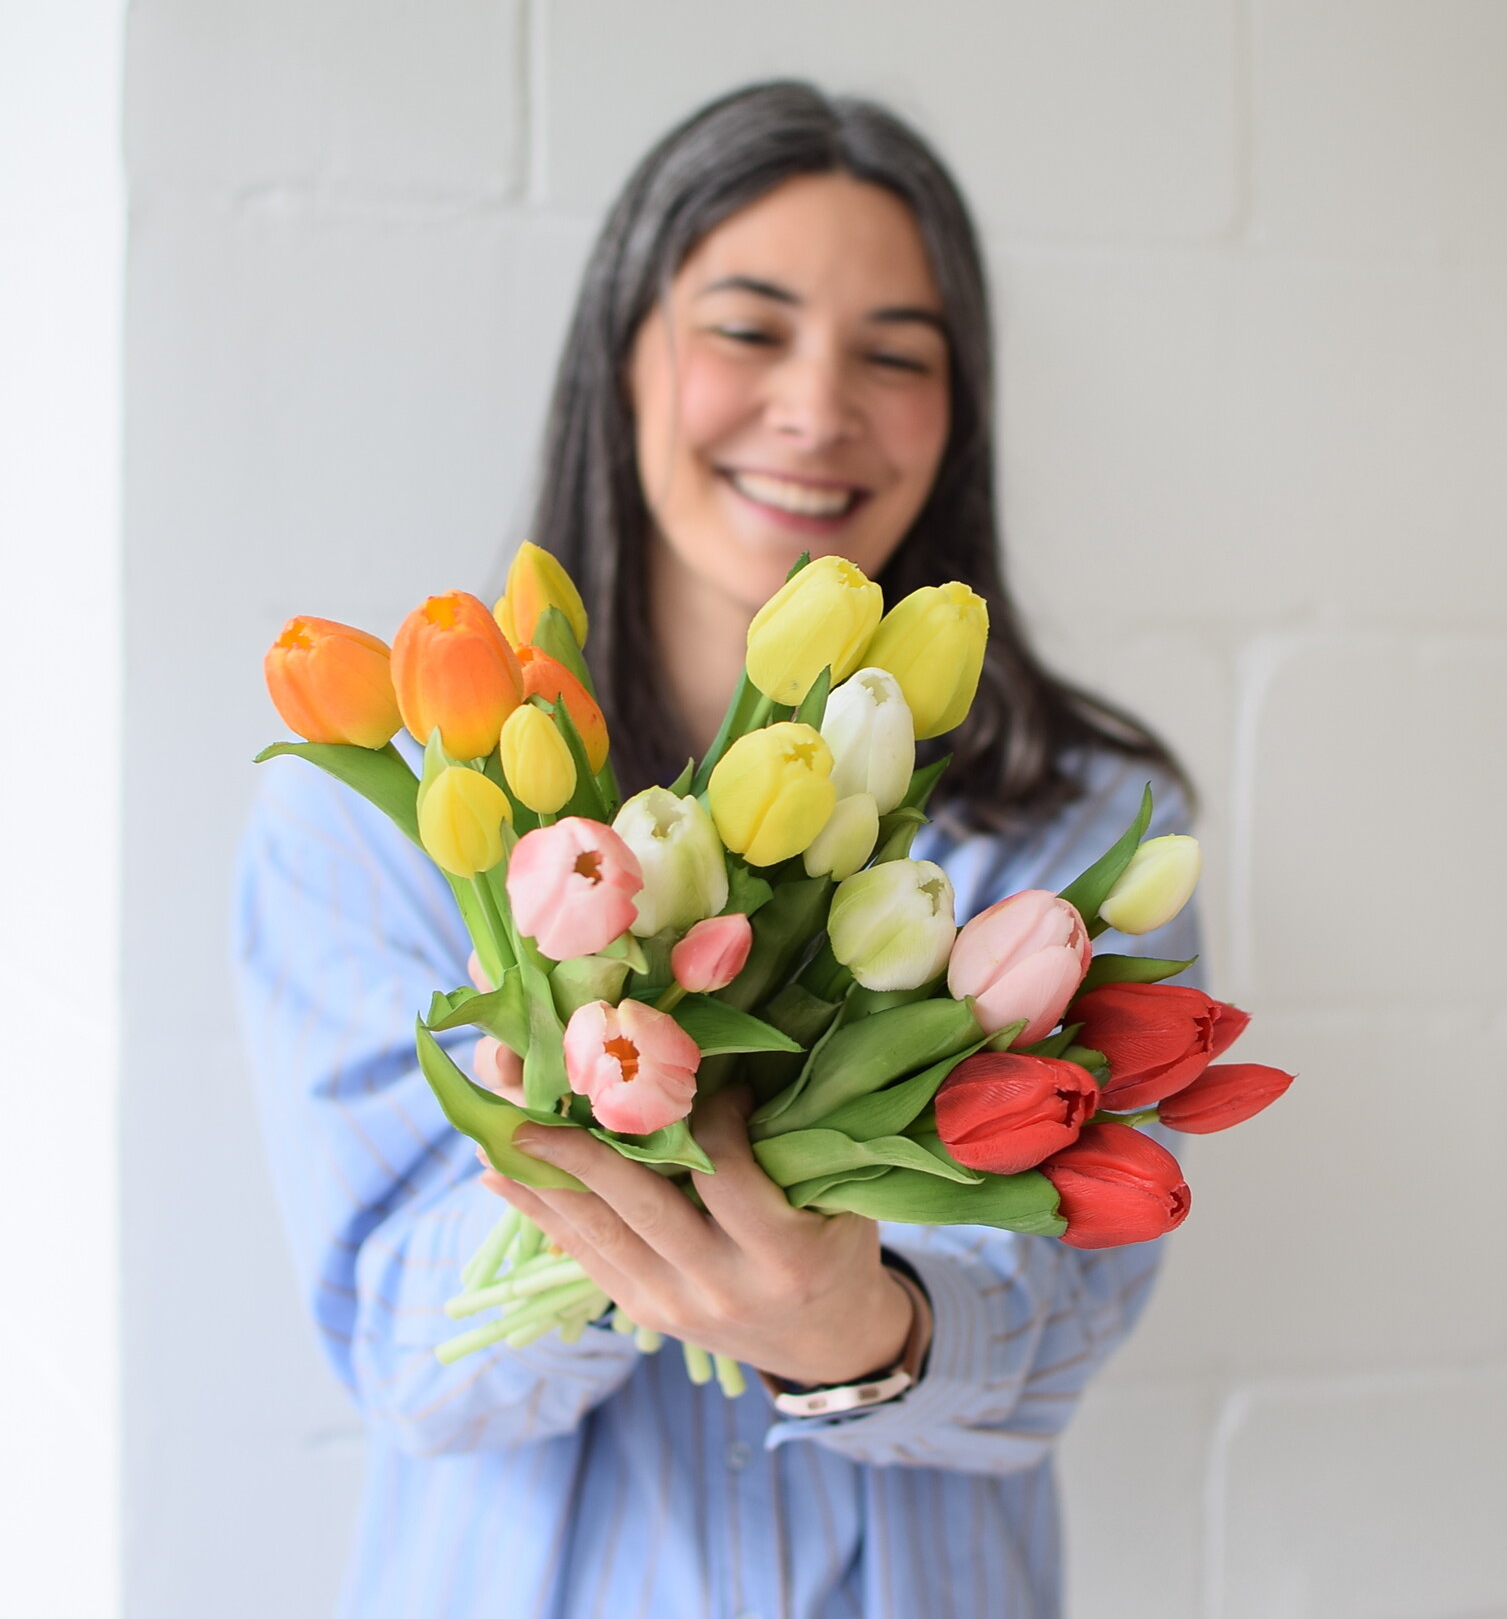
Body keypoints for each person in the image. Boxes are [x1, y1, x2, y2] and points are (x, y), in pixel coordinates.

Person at [237, 80, 1198, 1619]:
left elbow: (1064, 1313)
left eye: (897, 354)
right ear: (623, 353)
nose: (820, 408)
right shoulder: (394, 814)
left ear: (959, 414)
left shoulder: (1061, 823)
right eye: (749, 330)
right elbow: (401, 1357)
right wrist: (598, 1129)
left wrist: (866, 1337)